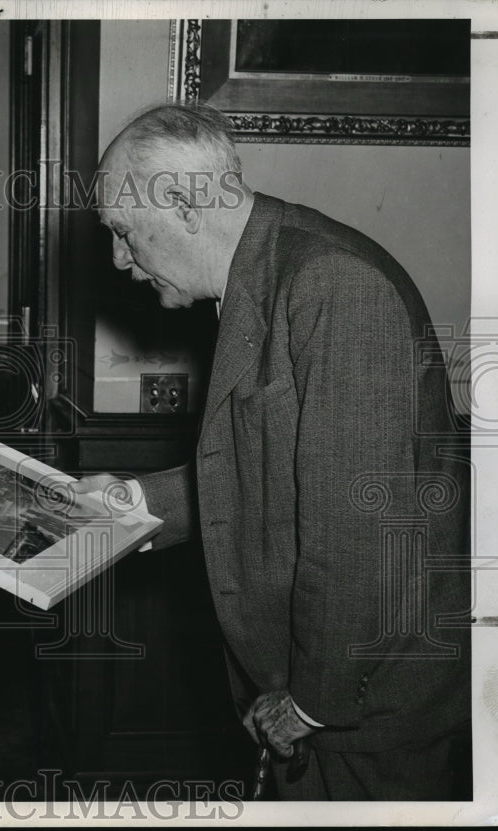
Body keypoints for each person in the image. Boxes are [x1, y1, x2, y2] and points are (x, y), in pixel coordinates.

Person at [78, 103, 471, 800]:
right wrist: (130, 504)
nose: (119, 260)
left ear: (181, 202)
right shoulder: (262, 276)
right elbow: (268, 469)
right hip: (320, 684)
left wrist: (311, 701)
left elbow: (357, 528)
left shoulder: (331, 286)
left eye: (123, 231)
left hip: (366, 703)